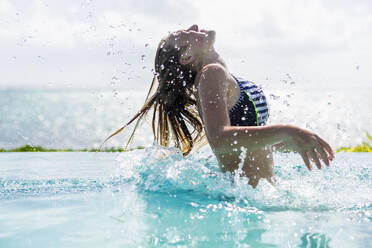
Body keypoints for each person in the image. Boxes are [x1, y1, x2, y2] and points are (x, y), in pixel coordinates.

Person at [103, 24, 334, 188]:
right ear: (187, 57)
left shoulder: (214, 74)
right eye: (185, 34)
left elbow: (245, 140)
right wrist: (288, 130)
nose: (194, 26)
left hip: (254, 197)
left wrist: (290, 143)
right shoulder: (210, 74)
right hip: (245, 202)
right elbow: (221, 139)